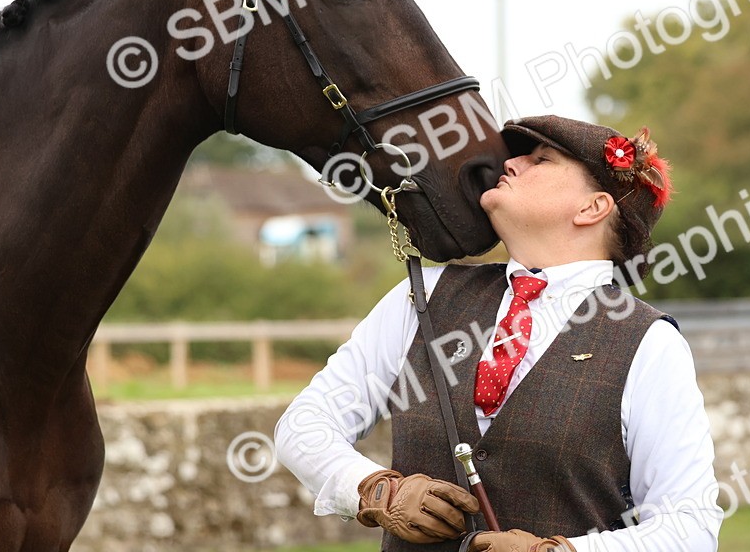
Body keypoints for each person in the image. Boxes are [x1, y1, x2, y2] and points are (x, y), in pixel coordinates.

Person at [274, 117, 722, 551]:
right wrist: (373, 491)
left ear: (592, 207)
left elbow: (691, 526)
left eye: (541, 159)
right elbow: (304, 426)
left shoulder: (650, 343)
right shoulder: (422, 295)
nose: (510, 164)